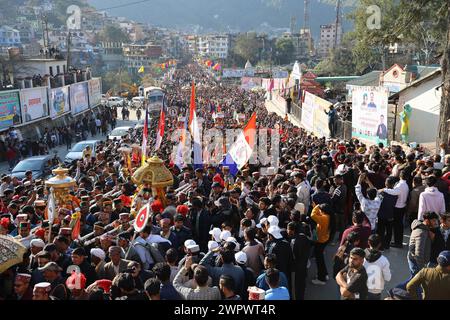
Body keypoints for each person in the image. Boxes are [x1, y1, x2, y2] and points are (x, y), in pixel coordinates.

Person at [407, 212, 439, 276]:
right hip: (416, 263)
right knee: (413, 283)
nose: (435, 223)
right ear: (427, 220)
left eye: (436, 220)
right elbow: (418, 253)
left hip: (417, 262)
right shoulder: (421, 232)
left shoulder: (425, 229)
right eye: (433, 221)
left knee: (413, 283)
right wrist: (422, 269)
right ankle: (399, 286)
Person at [311, 203, 334, 285]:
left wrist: (317, 206)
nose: (319, 211)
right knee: (321, 259)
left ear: (323, 211)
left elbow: (313, 215)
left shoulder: (324, 218)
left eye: (320, 210)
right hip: (324, 240)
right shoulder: (328, 216)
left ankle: (321, 279)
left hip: (320, 241)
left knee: (319, 260)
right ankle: (325, 274)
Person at [364, 234, 391, 300]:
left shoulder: (361, 255)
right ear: (380, 244)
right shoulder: (384, 260)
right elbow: (388, 278)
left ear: (368, 242)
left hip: (361, 288)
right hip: (375, 291)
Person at [288, 222, 311, 300]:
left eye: (288, 229)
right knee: (302, 284)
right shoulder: (305, 237)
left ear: (292, 230)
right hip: (304, 265)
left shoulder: (293, 241)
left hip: (297, 268)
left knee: (296, 286)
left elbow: (293, 255)